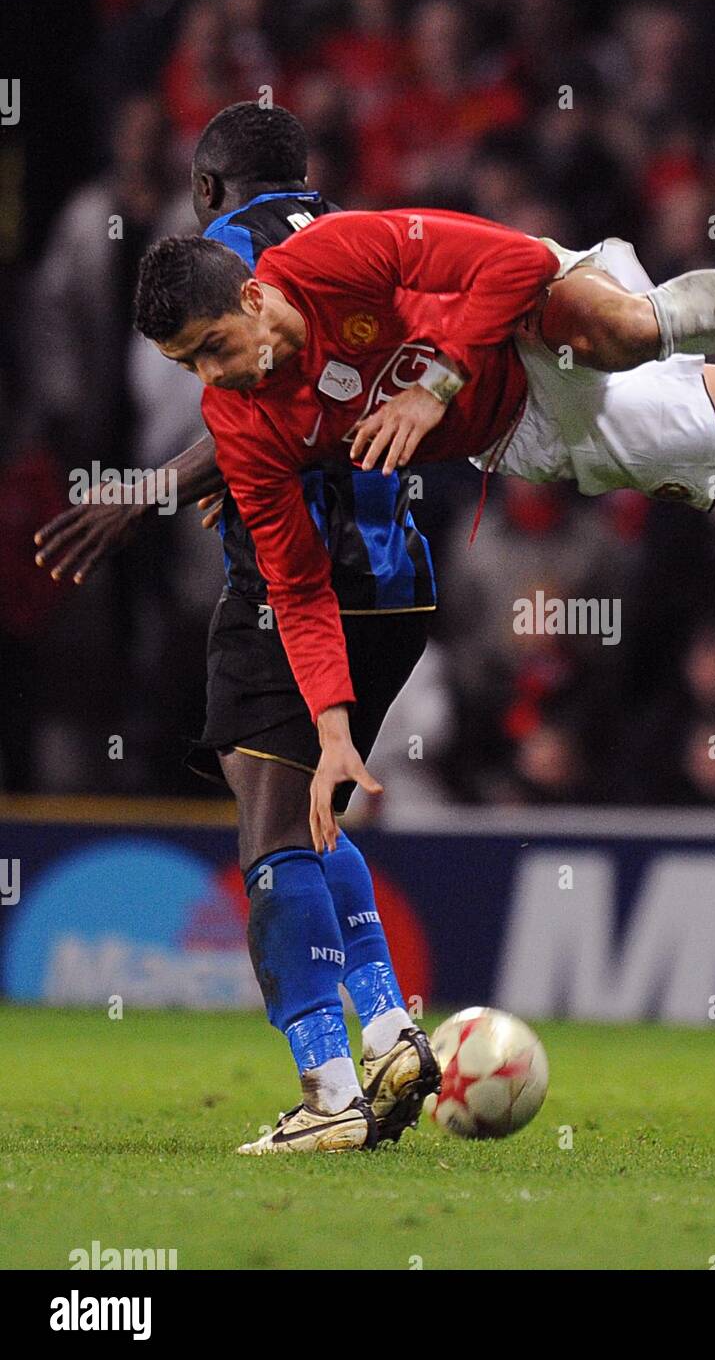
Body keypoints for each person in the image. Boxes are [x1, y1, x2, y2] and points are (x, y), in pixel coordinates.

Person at [130, 194, 715, 855]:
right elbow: (296, 587)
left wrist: (432, 386)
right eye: (190, 366)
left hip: (521, 318)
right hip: (538, 429)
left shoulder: (330, 257)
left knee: (632, 327)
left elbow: (505, 260)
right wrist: (335, 731)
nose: (214, 376)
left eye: (215, 346)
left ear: (253, 297)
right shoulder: (243, 422)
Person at [34, 104, 440, 1157]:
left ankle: (327, 1085)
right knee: (309, 812)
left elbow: (258, 408)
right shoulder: (354, 238)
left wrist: (140, 491)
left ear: (209, 188)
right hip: (400, 580)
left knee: (266, 830)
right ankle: (392, 1032)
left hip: (298, 580)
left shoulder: (226, 262)